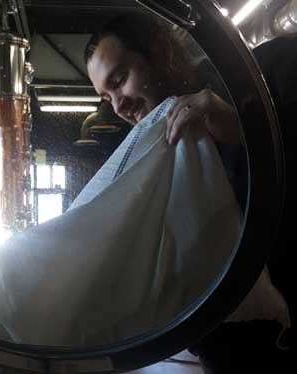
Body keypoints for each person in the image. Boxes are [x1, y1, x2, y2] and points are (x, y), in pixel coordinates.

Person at [84, 12, 293, 373]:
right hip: (228, 350)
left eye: (120, 80)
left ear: (160, 50)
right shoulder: (154, 154)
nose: (117, 105)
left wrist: (246, 127)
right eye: (106, 96)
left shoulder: (272, 69)